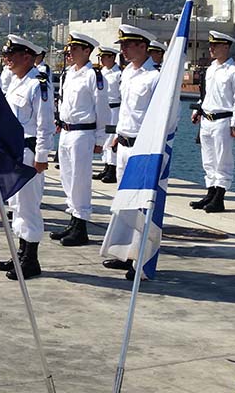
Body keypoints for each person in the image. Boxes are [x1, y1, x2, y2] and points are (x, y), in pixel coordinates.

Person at [99, 25, 161, 279]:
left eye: (127, 45)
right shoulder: (127, 73)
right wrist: (116, 135)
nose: (122, 49)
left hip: (142, 148)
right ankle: (126, 252)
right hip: (123, 145)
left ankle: (141, 261)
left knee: (142, 206)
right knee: (125, 204)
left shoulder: (155, 78)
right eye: (122, 45)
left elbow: (165, 119)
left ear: (143, 46)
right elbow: (125, 110)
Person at [0, 35, 53, 280]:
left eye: (11, 55)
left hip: (29, 153)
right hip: (13, 152)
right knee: (16, 204)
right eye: (6, 54)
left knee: (28, 205)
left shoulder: (38, 84)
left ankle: (31, 260)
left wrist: (42, 156)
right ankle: (20, 254)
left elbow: (45, 125)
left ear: (27, 57)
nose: (6, 59)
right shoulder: (17, 82)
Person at [49, 33, 108, 247]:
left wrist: (100, 139)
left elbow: (102, 109)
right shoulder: (68, 74)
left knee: (80, 180)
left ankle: (81, 226)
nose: (70, 53)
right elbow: (63, 101)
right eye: (69, 49)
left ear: (86, 51)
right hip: (66, 131)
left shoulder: (94, 76)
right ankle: (73, 220)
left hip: (83, 133)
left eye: (75, 49)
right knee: (67, 177)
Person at [190, 31, 235, 213]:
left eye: (215, 45)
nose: (211, 48)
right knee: (208, 159)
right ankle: (210, 192)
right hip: (207, 118)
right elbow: (205, 94)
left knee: (223, 160)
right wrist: (198, 110)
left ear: (226, 46)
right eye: (210, 45)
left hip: (223, 119)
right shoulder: (210, 69)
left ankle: (219, 197)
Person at [93, 46, 121, 183]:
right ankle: (106, 166)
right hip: (104, 109)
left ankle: (113, 168)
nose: (102, 60)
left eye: (104, 57)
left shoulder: (119, 74)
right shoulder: (102, 72)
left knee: (112, 139)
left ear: (112, 57)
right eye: (101, 57)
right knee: (104, 137)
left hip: (115, 109)